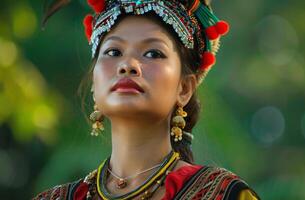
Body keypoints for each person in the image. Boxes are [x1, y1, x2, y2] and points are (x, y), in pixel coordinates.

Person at [34, 0, 260, 199]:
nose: (128, 65)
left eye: (153, 53)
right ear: (95, 84)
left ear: (184, 88)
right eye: (113, 52)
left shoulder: (224, 194)